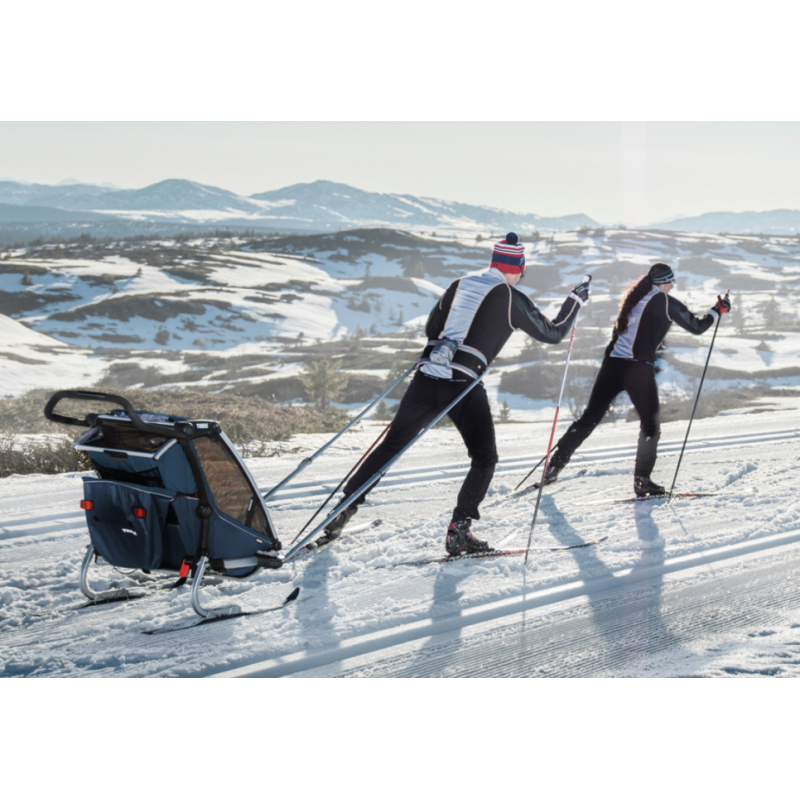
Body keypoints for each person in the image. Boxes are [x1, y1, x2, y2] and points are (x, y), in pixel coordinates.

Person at [322, 233, 590, 555]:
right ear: (517, 268)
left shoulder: (458, 283)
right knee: (484, 458)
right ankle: (459, 530)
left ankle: (346, 508)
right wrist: (575, 301)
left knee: (391, 445)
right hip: (461, 385)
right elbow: (553, 332)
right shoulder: (509, 296)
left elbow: (431, 329)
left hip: (426, 377)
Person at [542, 262, 731, 497]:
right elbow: (697, 326)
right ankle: (642, 480)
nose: (672, 287)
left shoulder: (634, 299)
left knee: (589, 418)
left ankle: (554, 466)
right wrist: (717, 310)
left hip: (612, 365)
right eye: (672, 282)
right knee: (651, 425)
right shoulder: (662, 300)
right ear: (665, 282)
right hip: (637, 369)